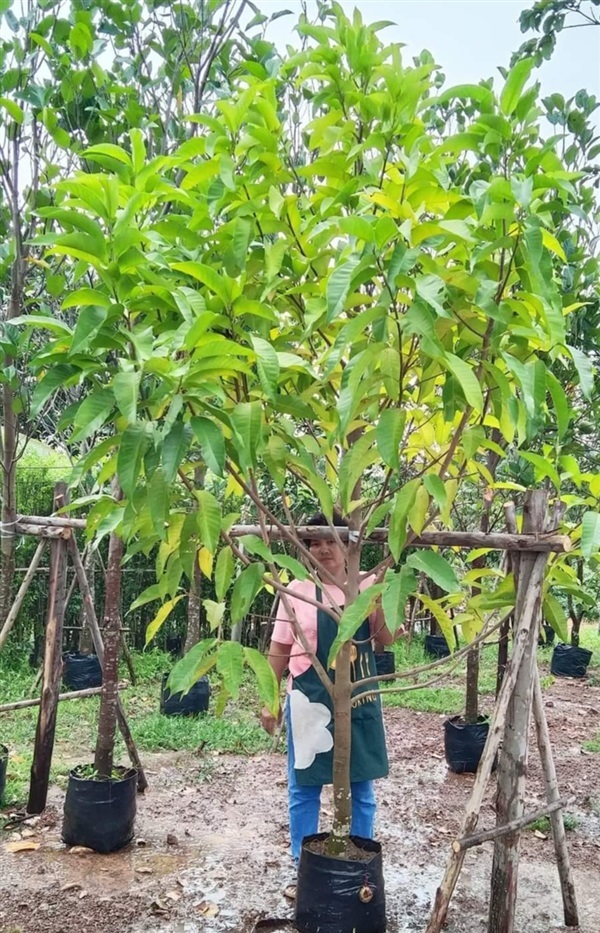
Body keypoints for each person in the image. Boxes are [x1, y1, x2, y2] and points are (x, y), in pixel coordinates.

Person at [260, 511, 405, 872]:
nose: (324, 549)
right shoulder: (295, 590)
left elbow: (384, 641)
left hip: (358, 698)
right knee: (304, 786)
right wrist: (269, 700)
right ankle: (303, 865)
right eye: (315, 542)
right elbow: (279, 649)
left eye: (332, 541)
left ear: (348, 545)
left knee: (362, 789)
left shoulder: (368, 584)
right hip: (308, 700)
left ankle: (358, 865)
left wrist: (382, 594)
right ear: (306, 549)